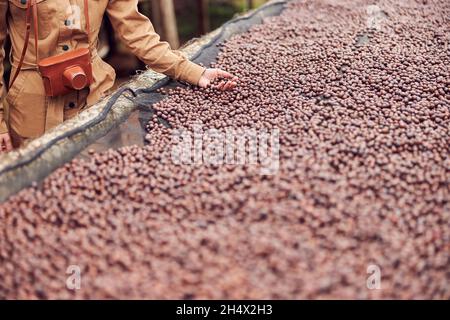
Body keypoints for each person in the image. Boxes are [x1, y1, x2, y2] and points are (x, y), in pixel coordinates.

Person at [0, 0, 238, 152]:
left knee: (100, 182)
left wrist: (195, 72)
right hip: (33, 105)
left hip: (93, 100)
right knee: (40, 193)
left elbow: (138, 33)